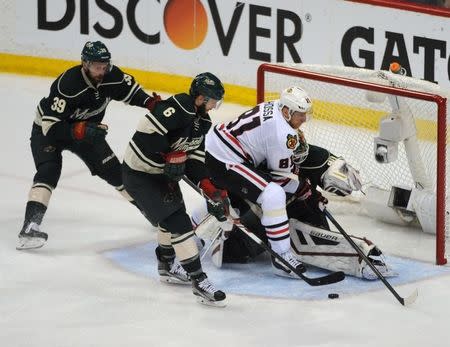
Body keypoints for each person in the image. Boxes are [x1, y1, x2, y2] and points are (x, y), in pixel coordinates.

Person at [16, 40, 162, 251]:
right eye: (96, 67)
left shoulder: (112, 76)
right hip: (50, 132)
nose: (102, 71)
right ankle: (30, 227)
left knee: (117, 175)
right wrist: (78, 130)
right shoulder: (67, 84)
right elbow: (50, 127)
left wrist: (151, 104)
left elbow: (132, 92)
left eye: (105, 66)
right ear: (85, 64)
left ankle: (152, 214)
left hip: (88, 133)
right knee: (48, 171)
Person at [121, 72, 229, 307]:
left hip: (161, 175)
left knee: (171, 217)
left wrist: (209, 188)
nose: (214, 106)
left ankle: (167, 265)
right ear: (200, 98)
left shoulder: (204, 123)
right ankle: (199, 280)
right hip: (139, 174)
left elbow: (194, 160)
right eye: (213, 101)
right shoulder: (176, 107)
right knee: (178, 222)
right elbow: (145, 134)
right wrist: (166, 157)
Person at [205, 86, 323, 279]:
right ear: (287, 111)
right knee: (273, 194)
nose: (303, 119)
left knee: (264, 189)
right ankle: (281, 257)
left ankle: (196, 220)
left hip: (218, 145)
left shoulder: (276, 106)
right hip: (225, 159)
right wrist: (305, 190)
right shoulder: (283, 134)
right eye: (300, 114)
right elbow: (281, 179)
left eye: (305, 114)